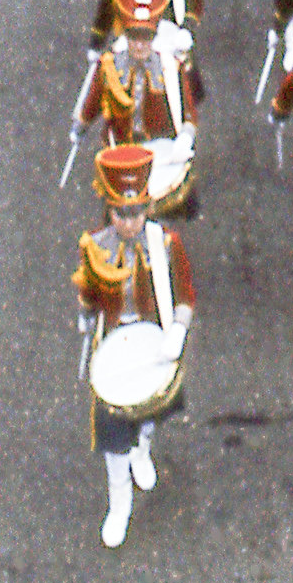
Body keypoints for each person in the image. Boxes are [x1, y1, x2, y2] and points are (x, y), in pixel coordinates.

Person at [75, 143, 195, 549]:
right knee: (112, 438)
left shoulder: (166, 244)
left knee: (149, 416)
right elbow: (89, 293)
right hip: (113, 347)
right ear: (108, 210)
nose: (130, 222)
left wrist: (178, 328)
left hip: (153, 344)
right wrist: (85, 311)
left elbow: (185, 296)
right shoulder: (94, 245)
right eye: (121, 213)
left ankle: (143, 449)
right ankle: (119, 502)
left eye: (137, 212)